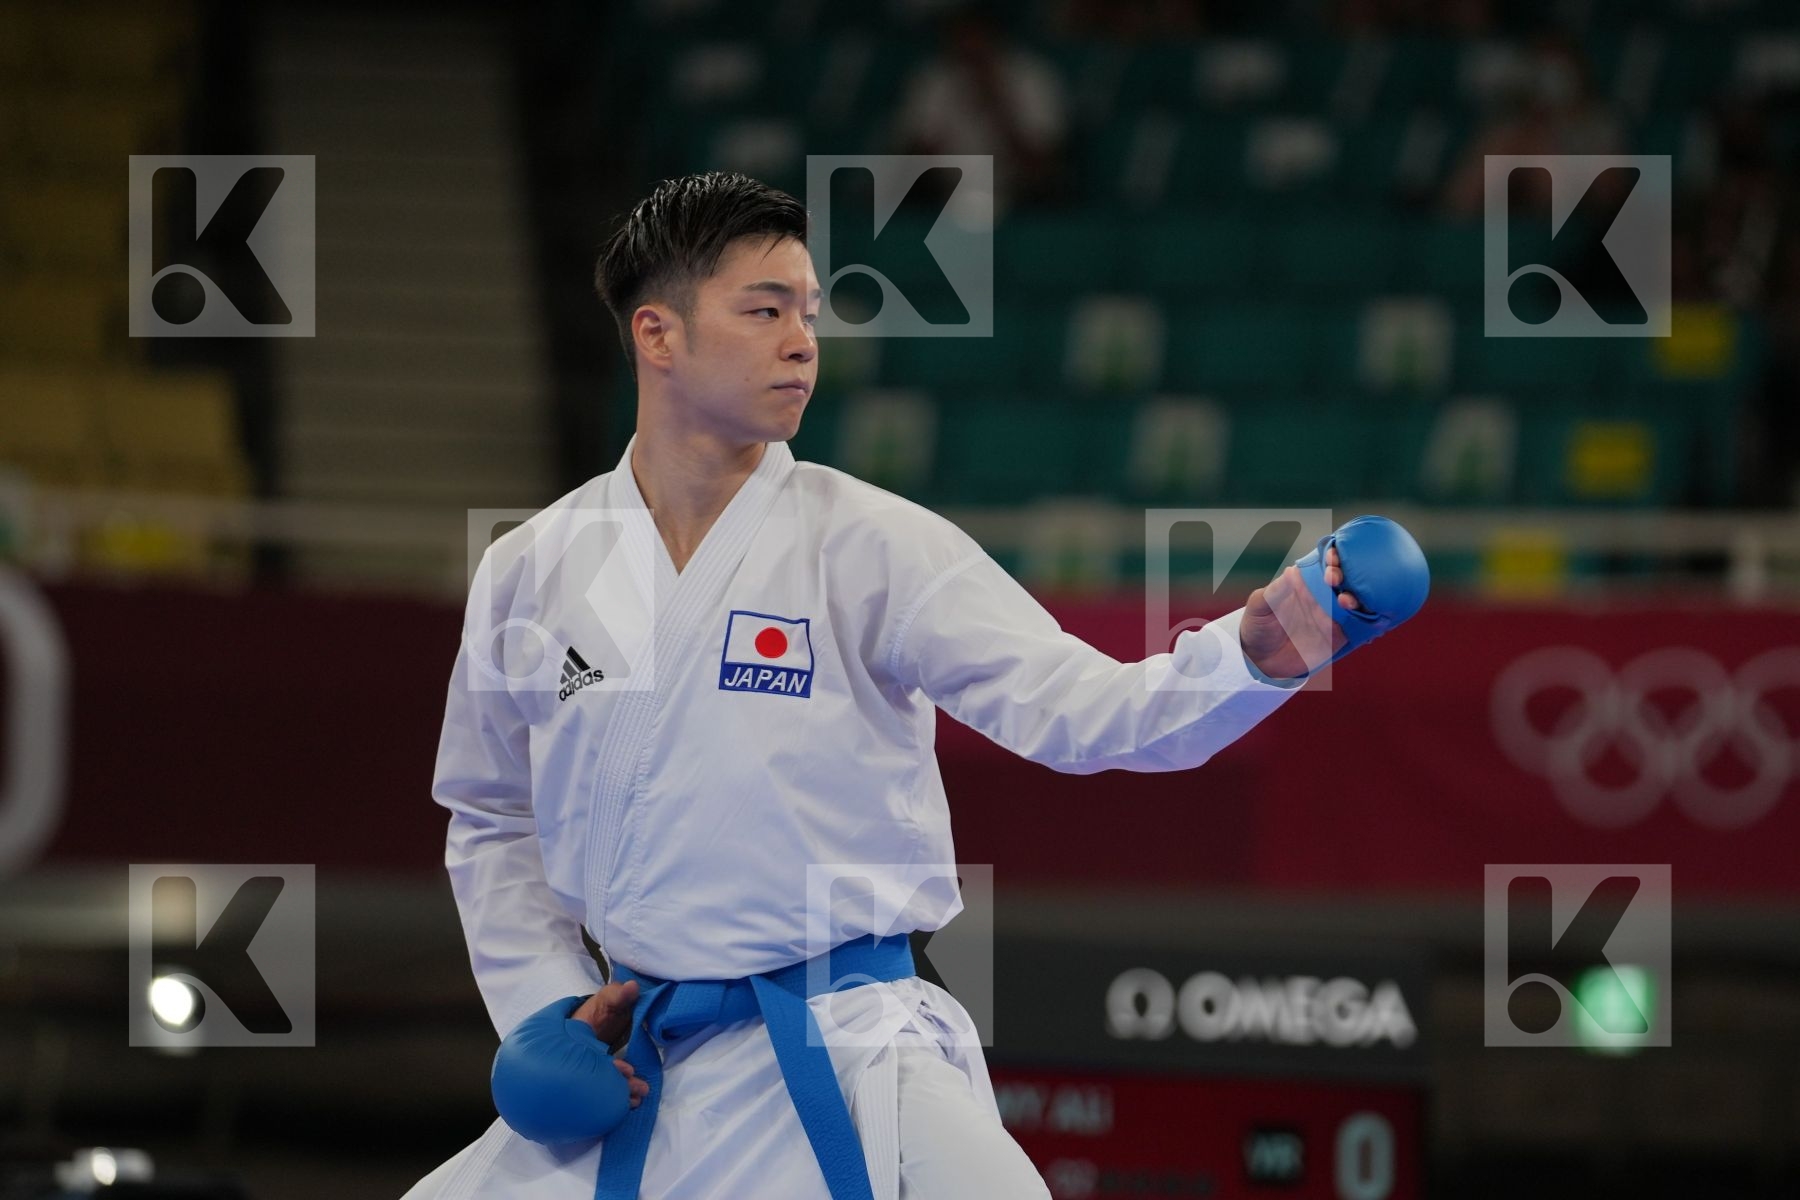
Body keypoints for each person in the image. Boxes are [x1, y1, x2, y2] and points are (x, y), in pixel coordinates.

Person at [402, 171, 1419, 1200]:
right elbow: (489, 812)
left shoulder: (874, 545)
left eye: (807, 312)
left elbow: (1086, 712)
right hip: (640, 1061)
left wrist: (1250, 661)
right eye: (763, 312)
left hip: (853, 1045)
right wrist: (544, 1005)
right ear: (657, 337)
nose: (801, 341)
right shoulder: (533, 568)